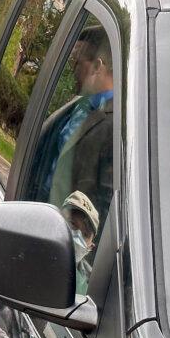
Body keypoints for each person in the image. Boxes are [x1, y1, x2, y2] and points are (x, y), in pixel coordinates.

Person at [48, 26, 114, 215]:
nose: (73, 70)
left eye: (76, 63)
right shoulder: (80, 106)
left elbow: (103, 206)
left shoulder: (117, 127)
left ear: (97, 67)